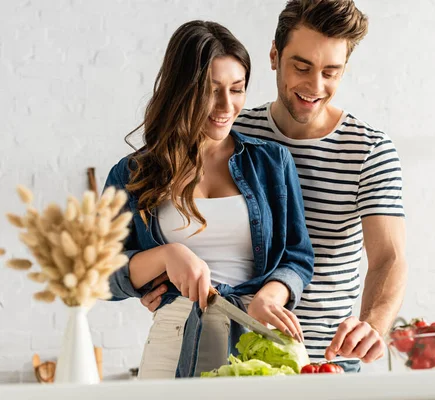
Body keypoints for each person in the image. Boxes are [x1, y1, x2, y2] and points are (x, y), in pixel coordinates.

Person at [142, 0, 408, 373]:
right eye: (302, 67)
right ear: (273, 55)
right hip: (245, 356)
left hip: (327, 360)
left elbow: (388, 258)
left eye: (331, 72)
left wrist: (372, 325)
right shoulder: (232, 129)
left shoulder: (368, 150)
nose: (315, 86)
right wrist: (156, 282)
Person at [103, 20, 314, 379]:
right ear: (181, 90)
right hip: (173, 337)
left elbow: (297, 256)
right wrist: (168, 255)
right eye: (211, 90)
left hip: (258, 338)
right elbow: (102, 274)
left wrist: (272, 296)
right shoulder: (133, 172)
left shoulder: (272, 163)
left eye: (237, 89)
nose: (226, 105)